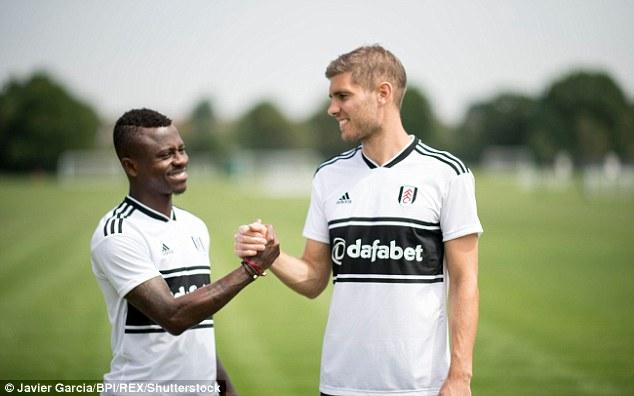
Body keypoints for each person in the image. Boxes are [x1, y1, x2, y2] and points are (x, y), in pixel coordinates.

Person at [235, 45, 483, 396]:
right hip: (341, 385)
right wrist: (270, 256)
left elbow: (464, 281)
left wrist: (460, 376)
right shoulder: (328, 177)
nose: (332, 108)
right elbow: (313, 278)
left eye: (343, 96)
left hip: (420, 387)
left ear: (383, 93)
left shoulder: (447, 174)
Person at [90, 108, 279, 396]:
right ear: (132, 166)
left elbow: (196, 321)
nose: (180, 160)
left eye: (181, 150)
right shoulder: (118, 233)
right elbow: (174, 316)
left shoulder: (194, 226)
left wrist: (225, 389)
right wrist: (251, 269)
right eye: (166, 155)